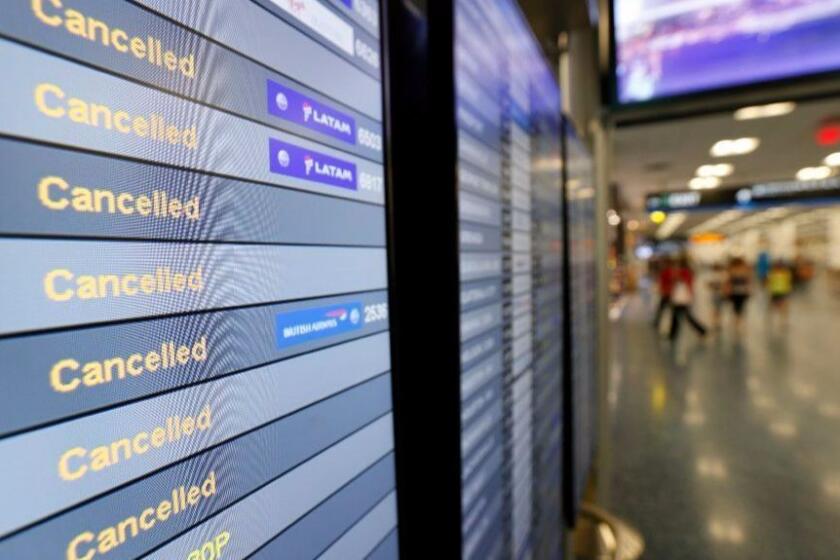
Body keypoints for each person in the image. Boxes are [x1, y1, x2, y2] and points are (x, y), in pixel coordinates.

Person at [669, 256, 707, 341]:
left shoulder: (684, 272)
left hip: (682, 297)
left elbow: (687, 283)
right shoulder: (684, 272)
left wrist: (689, 296)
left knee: (685, 316)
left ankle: (702, 330)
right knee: (677, 316)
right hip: (680, 296)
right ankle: (672, 334)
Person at [726, 257, 753, 334]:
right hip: (735, 292)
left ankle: (738, 322)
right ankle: (737, 322)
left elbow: (748, 280)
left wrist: (748, 289)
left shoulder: (743, 270)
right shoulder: (733, 270)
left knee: (740, 307)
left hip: (741, 292)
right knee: (737, 307)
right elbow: (729, 281)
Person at [653, 256, 675, 331]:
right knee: (662, 308)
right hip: (668, 293)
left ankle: (657, 322)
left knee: (663, 309)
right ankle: (657, 322)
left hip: (667, 293)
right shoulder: (669, 271)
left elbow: (666, 282)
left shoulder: (667, 271)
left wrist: (663, 290)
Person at [707, 262, 727, 330]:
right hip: (716, 294)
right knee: (717, 309)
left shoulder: (721, 275)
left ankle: (717, 322)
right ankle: (716, 322)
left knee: (717, 309)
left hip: (718, 294)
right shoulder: (718, 275)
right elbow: (709, 285)